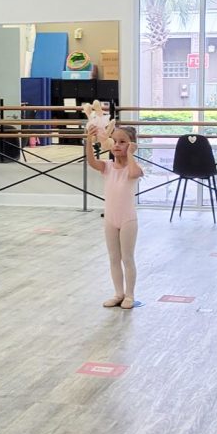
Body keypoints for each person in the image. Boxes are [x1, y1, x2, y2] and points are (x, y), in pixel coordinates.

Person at [85, 125, 143, 309]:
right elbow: (92, 162)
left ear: (132, 145)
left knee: (127, 258)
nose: (117, 145)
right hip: (110, 219)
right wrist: (89, 140)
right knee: (113, 257)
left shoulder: (135, 168)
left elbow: (133, 174)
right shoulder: (107, 166)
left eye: (123, 142)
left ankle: (130, 294)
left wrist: (131, 154)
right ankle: (118, 293)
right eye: (115, 141)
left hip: (128, 220)